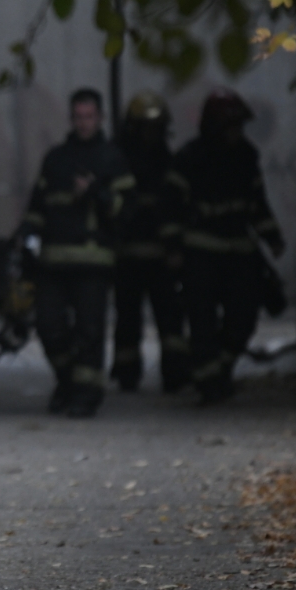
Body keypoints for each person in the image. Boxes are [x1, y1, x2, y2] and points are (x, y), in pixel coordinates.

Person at [16, 87, 133, 417]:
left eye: (89, 117)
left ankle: (87, 396)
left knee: (90, 331)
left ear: (100, 118)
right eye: (78, 117)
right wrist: (26, 236)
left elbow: (128, 212)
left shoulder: (112, 158)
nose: (84, 123)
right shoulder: (56, 159)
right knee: (49, 326)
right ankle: (69, 383)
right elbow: (37, 208)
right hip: (53, 261)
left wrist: (97, 192)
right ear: (71, 118)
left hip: (94, 262)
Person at [170, 87, 284, 405]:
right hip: (201, 252)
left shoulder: (246, 157)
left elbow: (257, 204)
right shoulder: (189, 159)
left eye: (239, 127)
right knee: (202, 321)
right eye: (231, 127)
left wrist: (272, 237)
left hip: (239, 251)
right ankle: (210, 384)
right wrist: (174, 248)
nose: (236, 133)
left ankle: (215, 370)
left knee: (244, 317)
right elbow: (171, 209)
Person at [110, 91, 190, 392]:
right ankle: (127, 372)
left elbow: (173, 208)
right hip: (128, 255)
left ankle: (175, 373)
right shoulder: (119, 160)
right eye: (146, 127)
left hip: (161, 257)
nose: (151, 134)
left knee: (170, 320)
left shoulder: (168, 162)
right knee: (127, 319)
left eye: (156, 128)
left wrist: (174, 248)